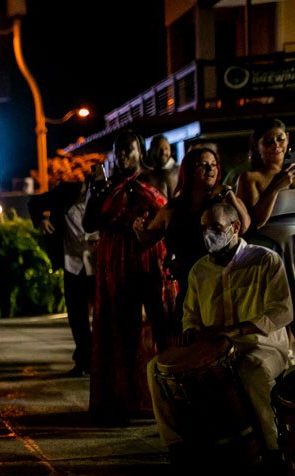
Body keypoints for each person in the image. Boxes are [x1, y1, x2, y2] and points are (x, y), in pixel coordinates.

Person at [148, 202, 291, 473]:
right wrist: (190, 332)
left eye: (215, 227)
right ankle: (177, 446)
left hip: (261, 346)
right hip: (214, 348)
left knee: (254, 369)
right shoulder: (199, 270)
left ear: (235, 227)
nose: (207, 234)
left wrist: (238, 330)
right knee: (155, 369)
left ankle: (274, 450)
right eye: (203, 228)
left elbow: (283, 311)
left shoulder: (265, 260)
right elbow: (190, 314)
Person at [82, 130, 172, 425]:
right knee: (122, 329)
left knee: (160, 325)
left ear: (140, 151)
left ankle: (166, 396)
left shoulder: (156, 178)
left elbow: (172, 213)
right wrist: (95, 191)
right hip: (117, 260)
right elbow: (89, 223)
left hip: (151, 256)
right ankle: (124, 398)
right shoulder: (107, 185)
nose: (122, 156)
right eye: (117, 151)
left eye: (128, 150)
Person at [136, 147, 251, 341]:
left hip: (220, 283)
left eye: (213, 165)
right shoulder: (174, 208)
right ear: (189, 170)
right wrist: (138, 229)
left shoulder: (222, 203)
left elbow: (245, 225)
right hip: (187, 284)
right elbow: (148, 239)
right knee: (188, 337)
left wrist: (229, 194)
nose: (210, 169)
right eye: (203, 165)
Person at [27, 175, 97, 376]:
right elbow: (34, 202)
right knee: (77, 315)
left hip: (98, 263)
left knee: (102, 314)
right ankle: (83, 359)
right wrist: (41, 220)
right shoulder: (65, 195)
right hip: (72, 263)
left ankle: (99, 359)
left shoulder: (100, 197)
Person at [236, 119, 295, 310]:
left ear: (288, 139)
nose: (276, 145)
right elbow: (254, 223)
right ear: (257, 146)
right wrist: (275, 187)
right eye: (268, 142)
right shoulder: (250, 178)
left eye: (280, 139)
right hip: (272, 250)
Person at [144, 133, 179, 199]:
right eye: (159, 148)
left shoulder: (179, 170)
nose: (163, 152)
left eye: (166, 148)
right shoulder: (148, 173)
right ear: (151, 151)